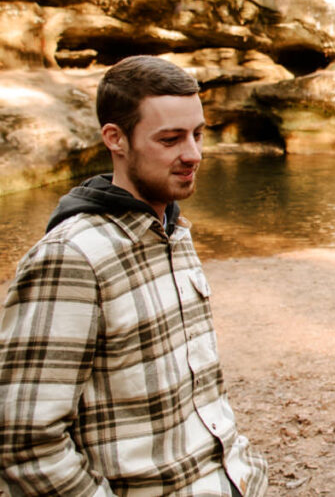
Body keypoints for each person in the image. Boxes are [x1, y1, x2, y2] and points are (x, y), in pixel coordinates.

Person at [0, 56, 268, 496]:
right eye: (170, 139)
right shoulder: (72, 257)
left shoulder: (171, 230)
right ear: (115, 139)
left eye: (198, 134)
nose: (193, 155)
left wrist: (246, 470)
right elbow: (25, 442)